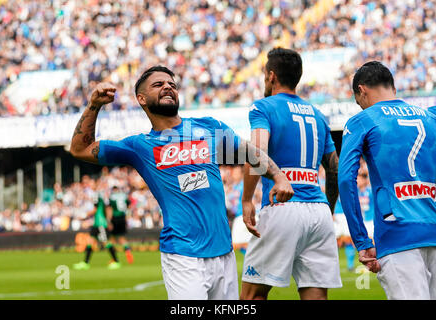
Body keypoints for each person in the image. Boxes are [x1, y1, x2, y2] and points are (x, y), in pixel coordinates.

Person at [69, 65, 294, 300]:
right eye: (158, 84)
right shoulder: (139, 146)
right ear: (141, 99)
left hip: (223, 252)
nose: (168, 86)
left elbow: (250, 152)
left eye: (172, 84)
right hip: (183, 255)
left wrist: (278, 176)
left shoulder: (208, 127)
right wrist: (94, 105)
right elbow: (80, 149)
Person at [240, 48, 342, 300]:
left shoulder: (263, 107)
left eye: (265, 75)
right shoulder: (318, 115)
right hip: (318, 210)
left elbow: (256, 152)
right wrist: (327, 208)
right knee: (316, 296)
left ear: (271, 76)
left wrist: (246, 199)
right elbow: (334, 167)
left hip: (283, 206)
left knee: (252, 296)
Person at [338, 61, 436, 300]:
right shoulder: (431, 117)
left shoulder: (363, 120)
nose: (360, 106)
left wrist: (362, 241)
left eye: (358, 101)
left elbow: (345, 179)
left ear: (361, 91)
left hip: (398, 235)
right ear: (392, 86)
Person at [73, 184, 121, 270]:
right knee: (90, 242)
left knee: (106, 242)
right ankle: (85, 263)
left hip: (100, 224)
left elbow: (95, 210)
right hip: (97, 224)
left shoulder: (96, 196)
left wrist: (84, 215)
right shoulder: (100, 197)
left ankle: (116, 261)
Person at [106, 185, 134, 264]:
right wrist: (127, 216)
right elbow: (129, 206)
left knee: (111, 239)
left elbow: (110, 209)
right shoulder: (124, 196)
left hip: (115, 218)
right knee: (121, 238)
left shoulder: (112, 197)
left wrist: (109, 221)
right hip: (123, 218)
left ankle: (114, 259)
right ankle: (127, 251)